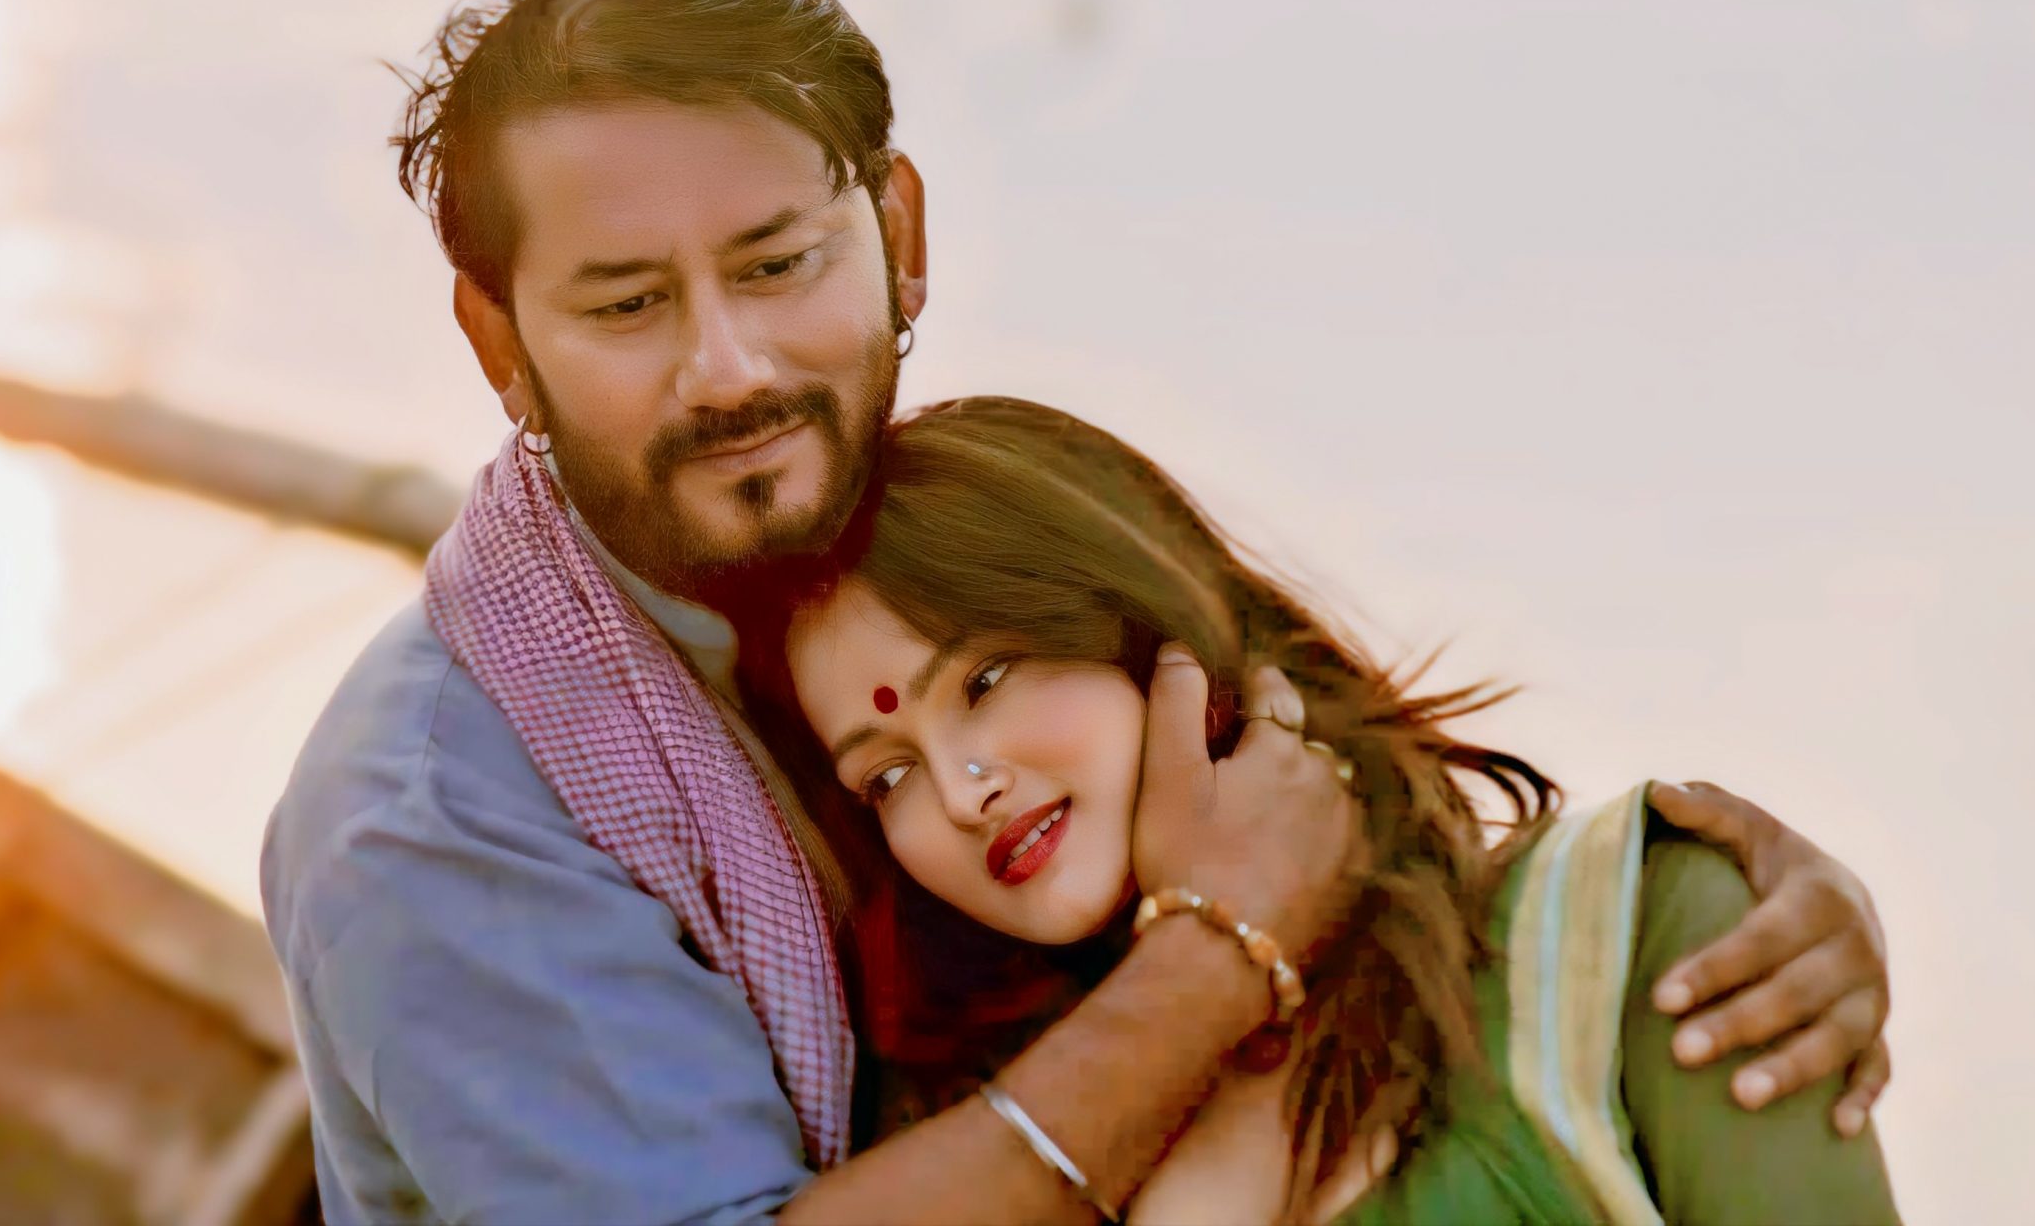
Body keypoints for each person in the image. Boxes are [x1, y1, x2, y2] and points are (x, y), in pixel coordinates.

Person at [259, 0, 1895, 1225]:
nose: (727, 367)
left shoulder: (905, 548)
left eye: (778, 263)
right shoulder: (443, 811)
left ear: (900, 239)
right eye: (626, 305)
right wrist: (1221, 951)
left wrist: (1694, 909)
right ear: (499, 344)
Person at [767, 395, 1901, 1223]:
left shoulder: (1632, 937)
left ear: (1152, 627)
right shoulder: (977, 1165)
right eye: (888, 777)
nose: (965, 793)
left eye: (984, 679)